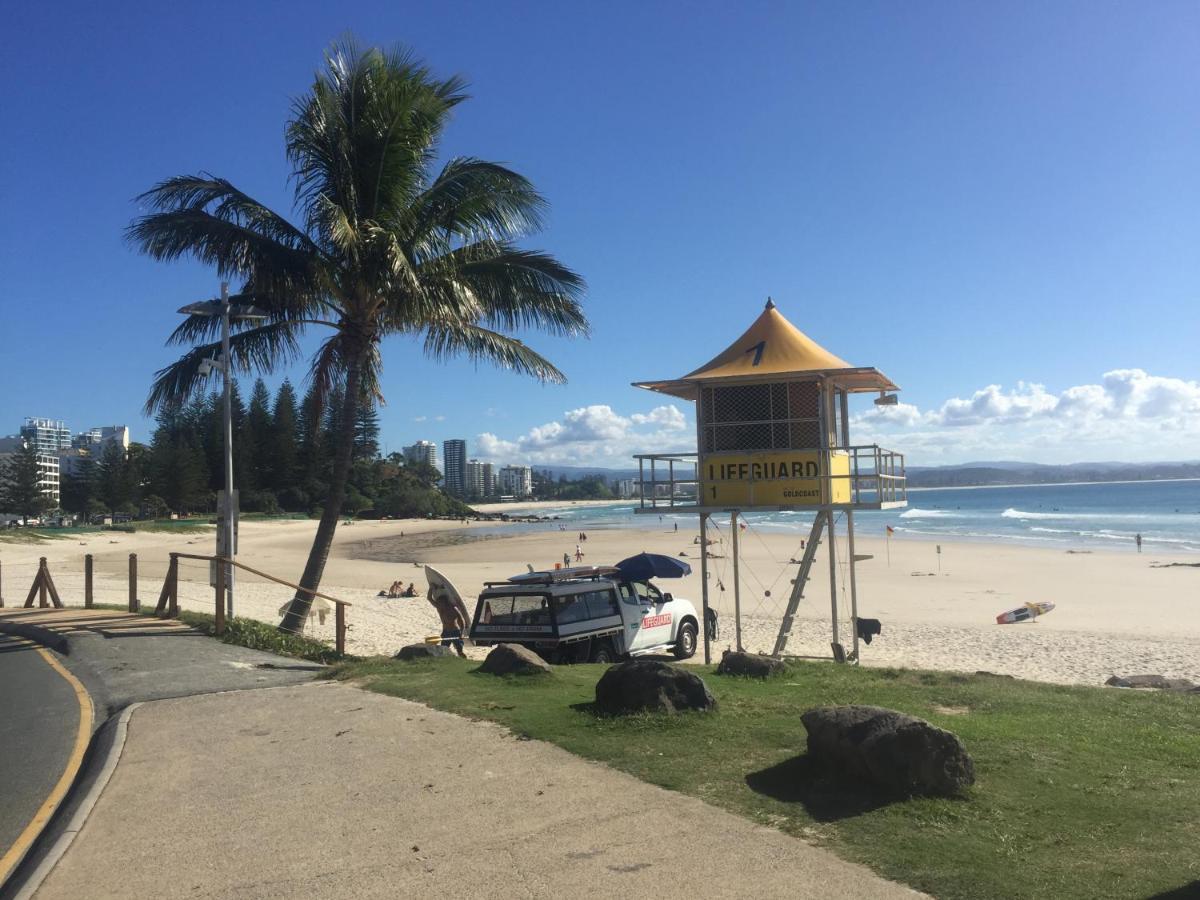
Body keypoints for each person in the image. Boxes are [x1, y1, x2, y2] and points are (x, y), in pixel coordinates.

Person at [428, 587, 469, 657]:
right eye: (439, 603)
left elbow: (462, 620)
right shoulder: (440, 608)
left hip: (455, 631)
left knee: (460, 651)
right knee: (443, 650)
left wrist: (462, 633)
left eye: (441, 602)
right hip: (446, 632)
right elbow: (429, 598)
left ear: (445, 602)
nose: (439, 604)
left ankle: (463, 660)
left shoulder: (453, 609)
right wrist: (431, 587)